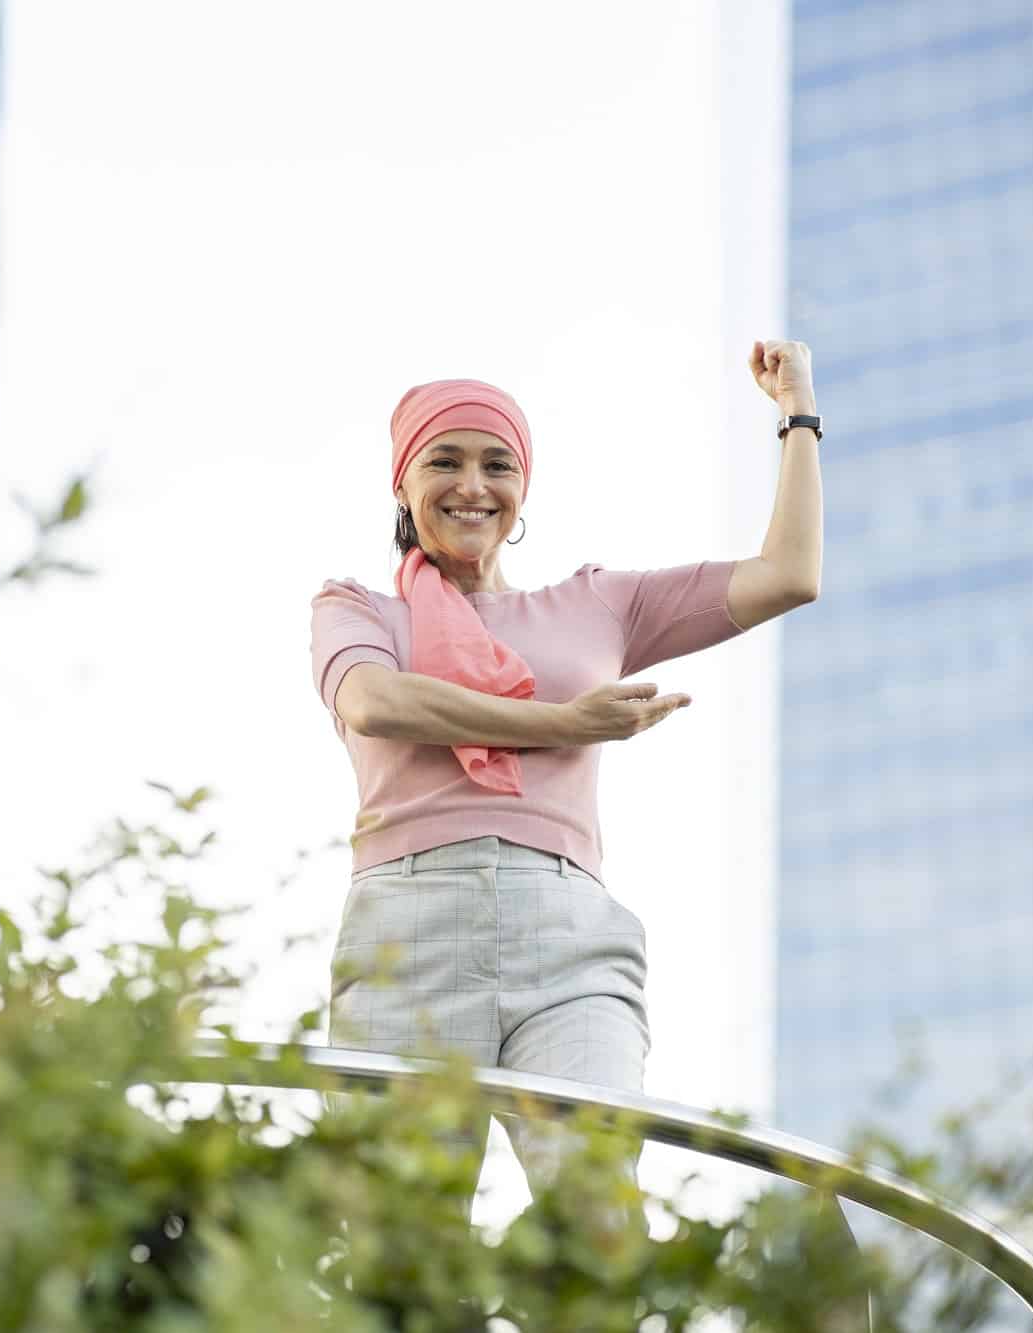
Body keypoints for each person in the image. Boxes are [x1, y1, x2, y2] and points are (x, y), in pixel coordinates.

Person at [309, 344, 822, 1217]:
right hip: (409, 935)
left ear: (523, 492)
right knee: (400, 1249)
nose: (472, 483)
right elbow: (376, 703)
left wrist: (797, 411)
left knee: (598, 1218)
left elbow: (788, 576)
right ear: (403, 484)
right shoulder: (358, 610)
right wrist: (567, 725)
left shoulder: (598, 604)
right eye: (445, 460)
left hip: (570, 943)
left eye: (497, 463)